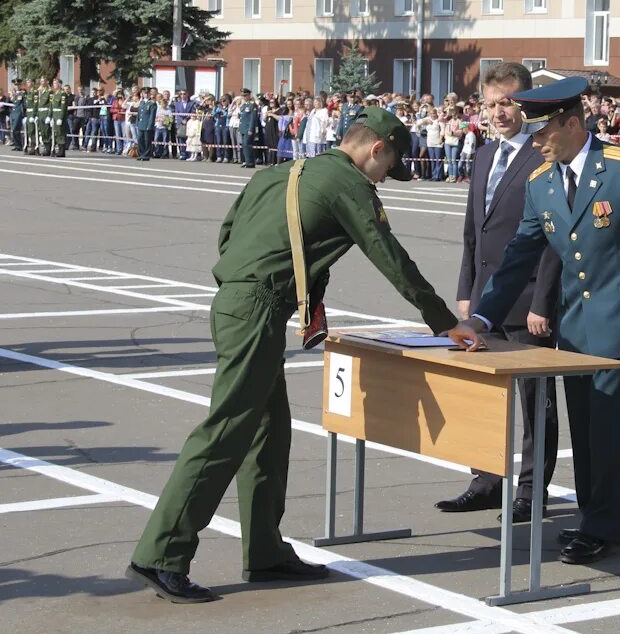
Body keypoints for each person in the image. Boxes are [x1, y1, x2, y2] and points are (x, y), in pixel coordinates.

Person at [126, 107, 457, 604]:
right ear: (376, 149)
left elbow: (229, 233)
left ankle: (265, 552)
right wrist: (445, 322)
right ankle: (161, 554)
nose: (387, 176)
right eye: (390, 166)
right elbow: (388, 255)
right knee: (225, 431)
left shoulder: (282, 171)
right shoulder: (349, 184)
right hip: (257, 310)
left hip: (238, 301)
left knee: (268, 432)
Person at [447, 76, 620, 566]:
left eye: (543, 133)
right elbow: (518, 256)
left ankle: (600, 526)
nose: (535, 143)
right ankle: (612, 517)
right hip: (575, 325)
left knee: (612, 430)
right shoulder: (543, 182)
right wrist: (483, 315)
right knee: (589, 430)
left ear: (573, 124)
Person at [437, 62, 564, 523]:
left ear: (525, 103)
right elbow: (474, 230)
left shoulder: (542, 154)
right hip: (484, 303)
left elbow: (553, 239)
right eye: (490, 104)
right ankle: (486, 480)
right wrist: (467, 291)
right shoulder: (486, 155)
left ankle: (532, 491)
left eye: (507, 102)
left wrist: (542, 301)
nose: (498, 112)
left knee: (535, 403)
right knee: (481, 397)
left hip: (528, 301)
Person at [238, 88, 262, 168]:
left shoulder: (252, 105)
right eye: (243, 96)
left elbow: (253, 118)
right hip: (243, 128)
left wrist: (251, 129)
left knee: (247, 144)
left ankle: (250, 162)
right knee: (244, 145)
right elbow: (241, 117)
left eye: (245, 95)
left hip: (248, 129)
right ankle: (247, 161)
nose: (244, 97)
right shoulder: (244, 105)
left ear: (249, 95)